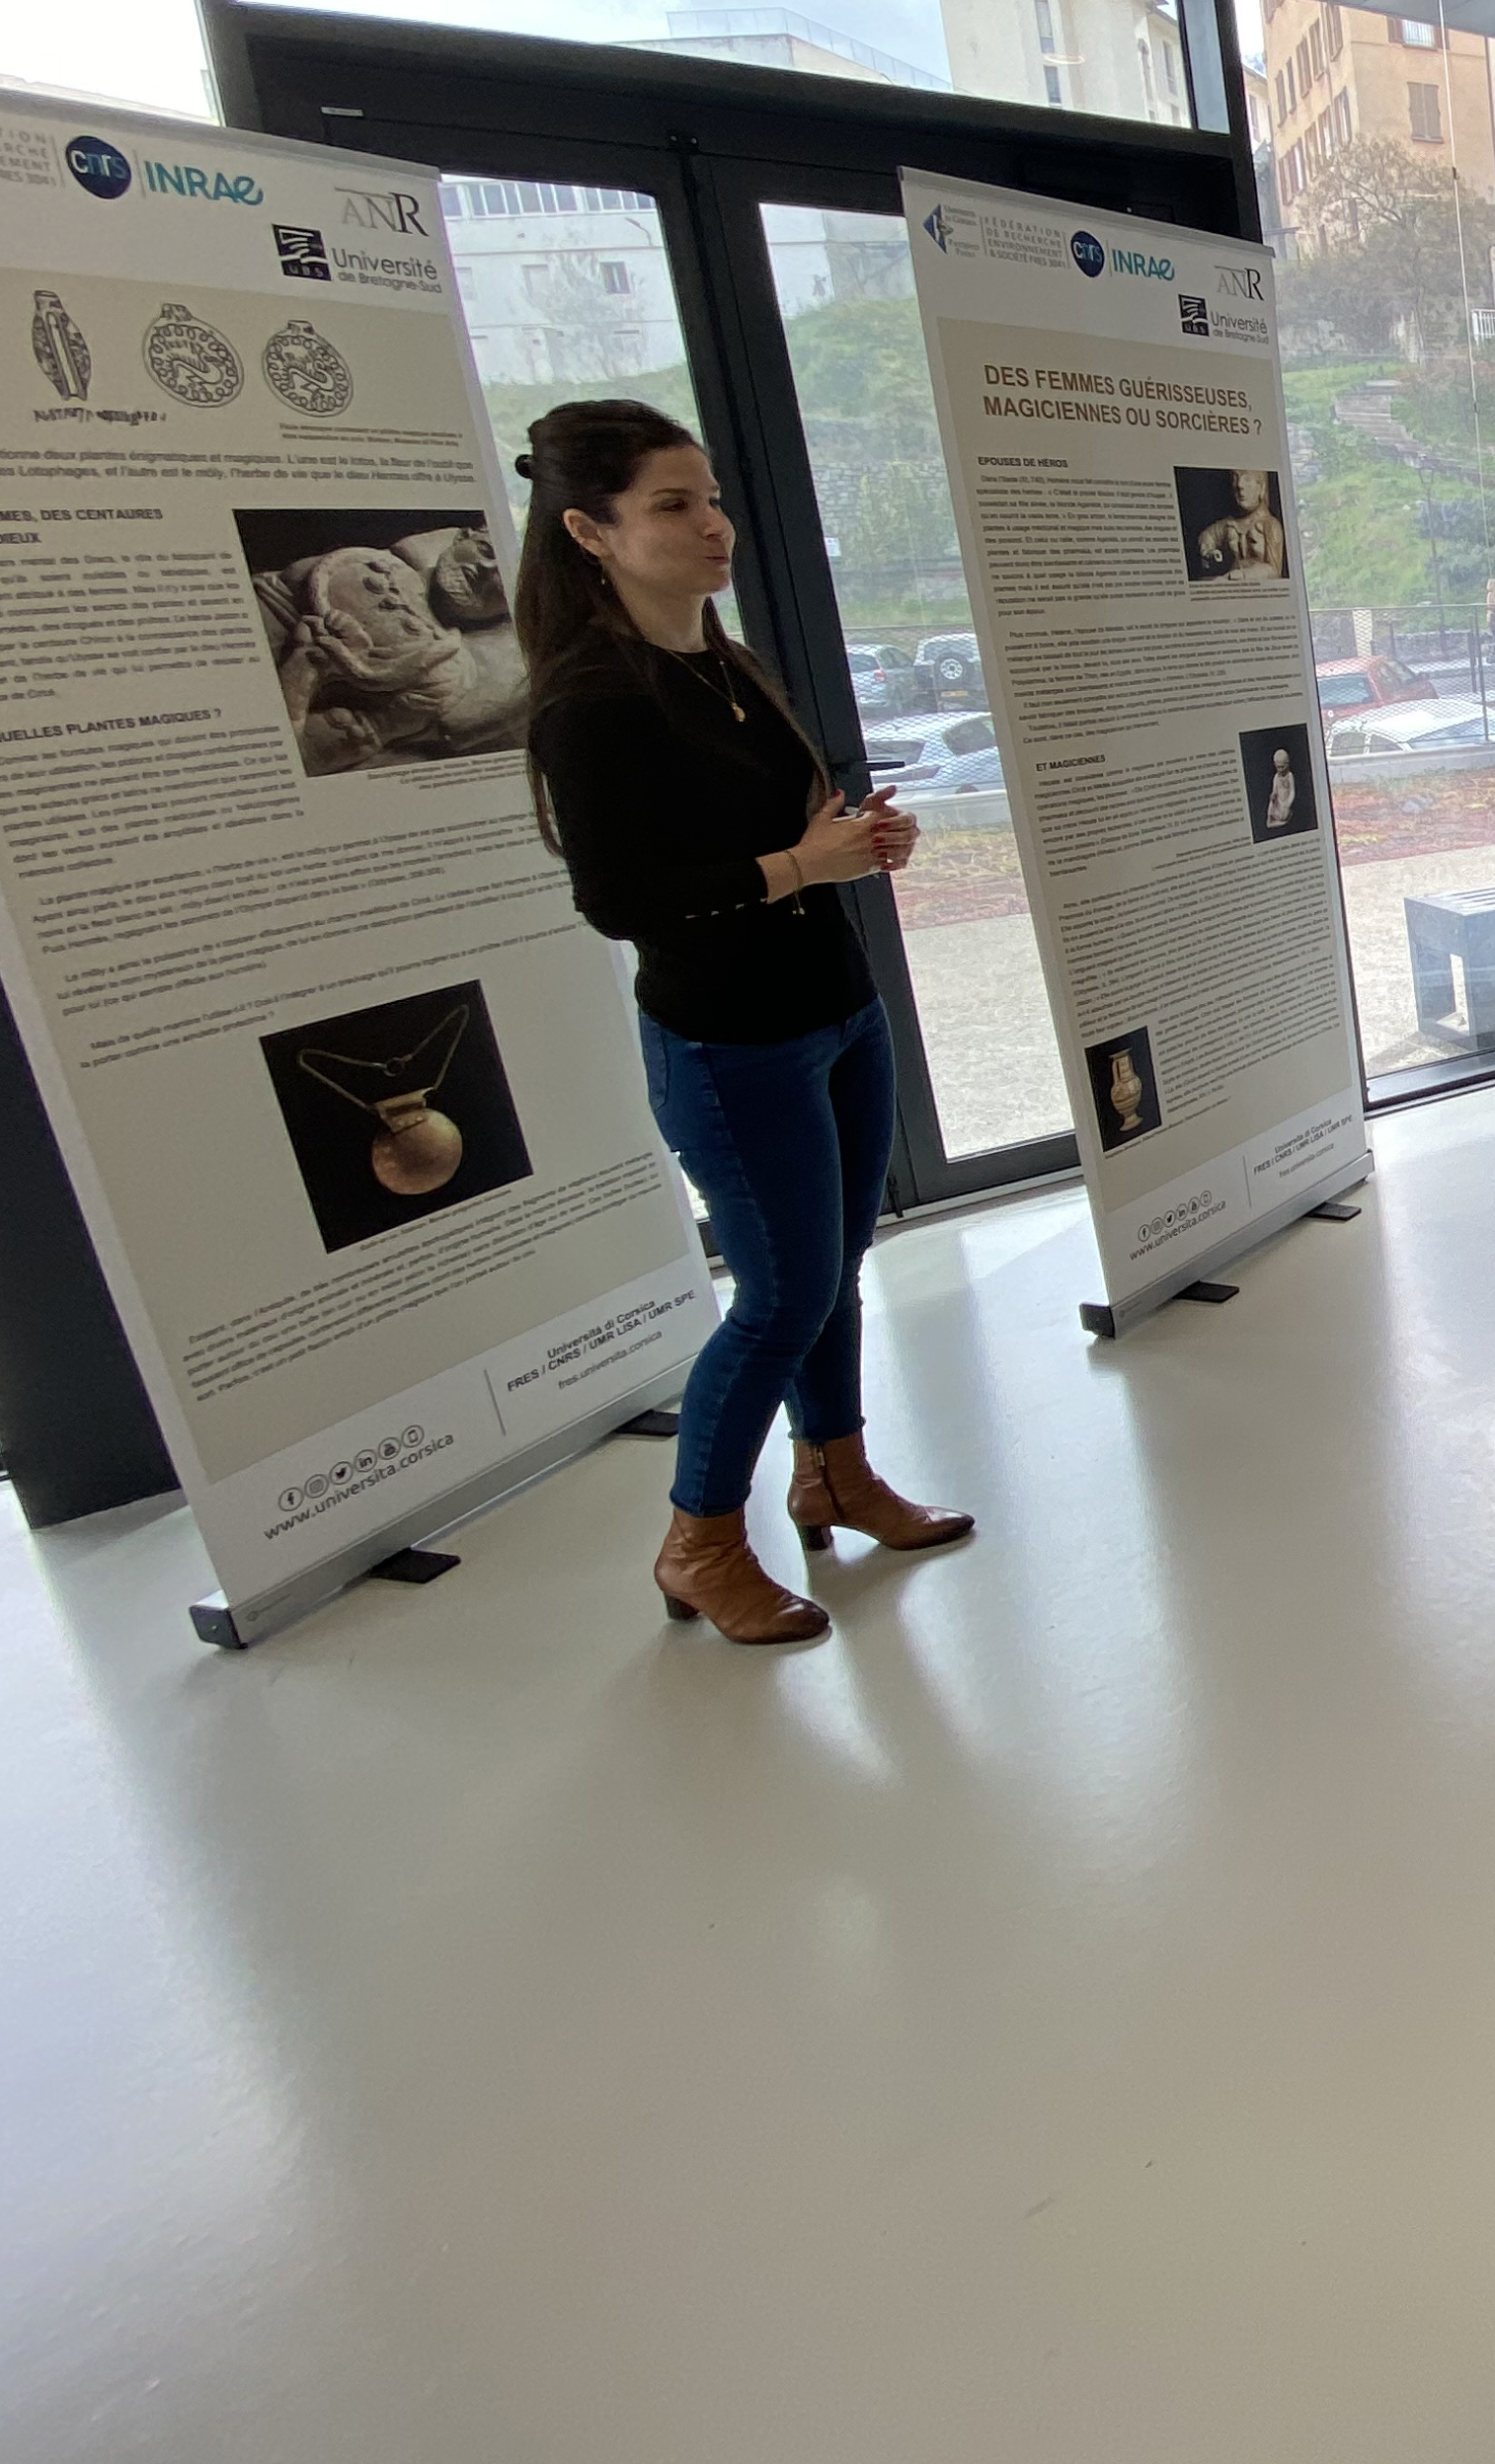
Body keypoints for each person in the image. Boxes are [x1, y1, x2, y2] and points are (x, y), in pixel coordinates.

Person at [518, 399, 972, 1648]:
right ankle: (700, 1544)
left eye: (712, 498)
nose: (714, 525)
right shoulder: (590, 701)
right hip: (730, 1042)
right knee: (779, 1296)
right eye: (673, 505)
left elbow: (784, 832)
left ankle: (837, 1475)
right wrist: (797, 867)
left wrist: (855, 840)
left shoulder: (727, 665)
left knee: (834, 1273)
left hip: (837, 1008)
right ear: (589, 531)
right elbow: (620, 902)